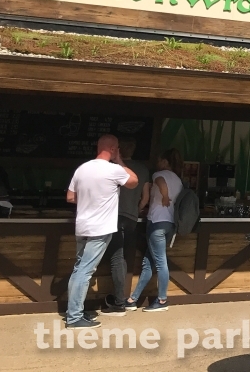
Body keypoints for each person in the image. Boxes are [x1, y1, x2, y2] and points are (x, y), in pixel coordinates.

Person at [65, 134, 140, 328]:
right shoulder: (114, 169)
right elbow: (133, 181)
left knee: (79, 269)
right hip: (100, 227)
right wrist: (119, 161)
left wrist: (90, 199)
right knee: (85, 271)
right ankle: (74, 317)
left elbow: (71, 197)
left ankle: (74, 311)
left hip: (82, 225)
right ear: (114, 149)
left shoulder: (82, 169)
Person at [125, 149, 183, 311]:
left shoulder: (159, 174)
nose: (157, 163)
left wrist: (164, 196)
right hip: (169, 224)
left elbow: (161, 183)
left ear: (165, 162)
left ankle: (162, 300)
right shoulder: (178, 179)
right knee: (148, 262)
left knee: (160, 262)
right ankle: (132, 299)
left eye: (159, 160)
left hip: (156, 222)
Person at [101, 139, 151, 316]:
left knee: (116, 258)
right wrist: (135, 210)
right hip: (130, 219)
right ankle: (120, 299)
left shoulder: (112, 167)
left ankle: (119, 303)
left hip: (112, 217)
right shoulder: (143, 170)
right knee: (123, 258)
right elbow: (145, 198)